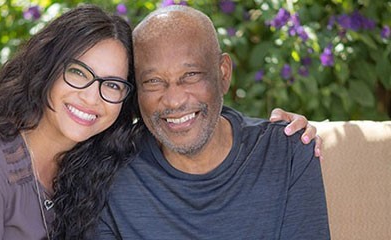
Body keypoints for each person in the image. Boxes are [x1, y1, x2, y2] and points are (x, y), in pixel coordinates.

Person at [0, 5, 320, 240]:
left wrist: (279, 138)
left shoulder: (90, 168)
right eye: (78, 74)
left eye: (112, 84)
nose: (92, 97)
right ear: (45, 70)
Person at [96, 5, 330, 240]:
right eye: (153, 81)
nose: (175, 101)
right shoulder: (109, 172)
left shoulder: (286, 152)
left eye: (191, 75)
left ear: (223, 74)